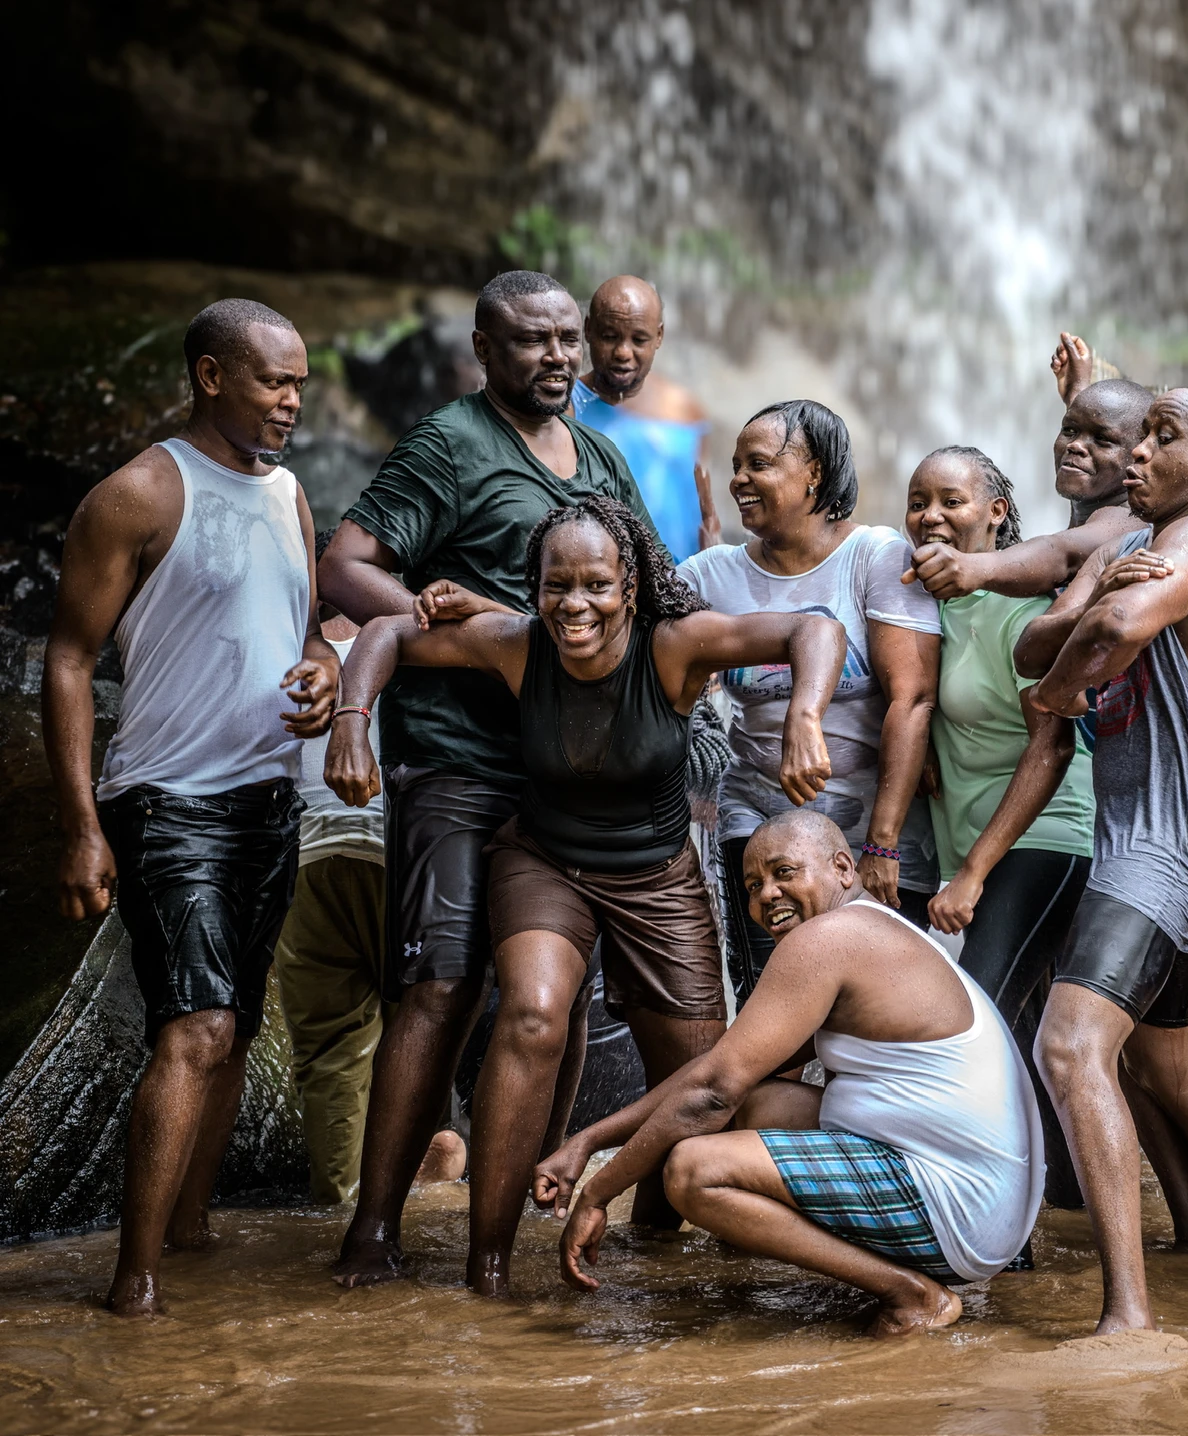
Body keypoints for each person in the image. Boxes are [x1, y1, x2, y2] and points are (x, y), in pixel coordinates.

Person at [324, 495, 840, 1294]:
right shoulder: (518, 645)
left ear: (629, 585)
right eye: (556, 585)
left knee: (698, 1076)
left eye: (596, 585)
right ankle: (488, 1266)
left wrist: (805, 716)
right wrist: (353, 718)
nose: (576, 605)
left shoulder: (676, 648)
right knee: (532, 1014)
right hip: (547, 863)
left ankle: (651, 1250)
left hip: (659, 879)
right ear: (532, 589)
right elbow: (389, 630)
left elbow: (815, 627)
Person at [318, 270, 661, 1286]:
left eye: (566, 339)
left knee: (541, 999)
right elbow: (346, 565)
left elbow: (642, 581)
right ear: (482, 347)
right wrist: (439, 628)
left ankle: (502, 1233)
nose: (554, 357)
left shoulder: (597, 452)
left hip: (564, 777)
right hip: (460, 766)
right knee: (440, 983)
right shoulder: (451, 443)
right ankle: (372, 1232)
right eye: (529, 342)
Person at [43, 298, 337, 1315]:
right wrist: (81, 824)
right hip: (166, 801)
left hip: (268, 798)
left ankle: (194, 1236)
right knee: (198, 1029)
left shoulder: (293, 491)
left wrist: (324, 665)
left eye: (300, 382)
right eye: (274, 381)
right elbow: (72, 659)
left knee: (236, 1023)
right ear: (212, 376)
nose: (294, 400)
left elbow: (304, 630)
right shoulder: (136, 494)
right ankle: (135, 1285)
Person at [531, 810, 1043, 1338]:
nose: (766, 896)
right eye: (753, 885)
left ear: (844, 868)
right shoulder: (871, 928)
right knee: (759, 1103)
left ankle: (911, 1294)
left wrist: (597, 1194)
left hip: (955, 1211)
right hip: (989, 1213)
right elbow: (715, 1074)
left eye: (784, 873)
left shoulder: (827, 939)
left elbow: (708, 1095)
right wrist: (588, 1142)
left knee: (693, 1170)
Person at [1014, 384, 1188, 1337]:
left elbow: (1113, 634)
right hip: (1170, 844)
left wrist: (1058, 687)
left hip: (1170, 849)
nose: (1135, 451)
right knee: (1167, 1063)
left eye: (1162, 437)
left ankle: (1128, 1314)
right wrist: (1091, 606)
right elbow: (1032, 637)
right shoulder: (1145, 542)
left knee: (1069, 1044)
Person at [678, 399, 941, 998]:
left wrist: (881, 842)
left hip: (871, 830)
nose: (739, 478)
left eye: (759, 464)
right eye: (736, 465)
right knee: (771, 1008)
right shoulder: (708, 575)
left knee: (876, 1014)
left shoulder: (876, 557)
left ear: (815, 472)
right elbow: (620, 624)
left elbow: (914, 699)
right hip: (757, 827)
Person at [910, 446, 1095, 1212]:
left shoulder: (1023, 611)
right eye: (918, 500)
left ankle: (988, 1213)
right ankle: (1060, 1202)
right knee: (1015, 1027)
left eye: (952, 500)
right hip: (977, 845)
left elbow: (1051, 747)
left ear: (996, 513)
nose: (930, 516)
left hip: (1046, 837)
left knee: (978, 1012)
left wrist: (975, 872)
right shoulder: (920, 606)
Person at [273, 531, 467, 1205]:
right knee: (420, 1020)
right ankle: (421, 1180)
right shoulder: (416, 637)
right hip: (400, 855)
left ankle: (340, 1200)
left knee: (329, 1049)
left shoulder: (284, 653)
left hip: (309, 860)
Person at [903, 333, 1150, 601]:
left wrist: (971, 567)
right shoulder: (1094, 495)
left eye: (1102, 440)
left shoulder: (1128, 521)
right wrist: (1077, 391)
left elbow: (1061, 554)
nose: (1075, 446)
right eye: (1068, 430)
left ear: (1141, 456)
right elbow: (1096, 427)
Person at [573, 275, 720, 561]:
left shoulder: (684, 409)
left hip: (684, 580)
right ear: (588, 329)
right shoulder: (567, 406)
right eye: (610, 336)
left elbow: (702, 503)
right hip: (603, 582)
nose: (623, 353)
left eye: (639, 339)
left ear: (659, 336)